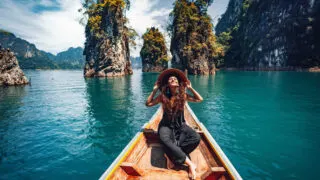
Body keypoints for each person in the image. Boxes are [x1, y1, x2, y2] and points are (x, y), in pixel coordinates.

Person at [145, 68, 203, 179]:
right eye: (170, 79)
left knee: (196, 138)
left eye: (175, 79)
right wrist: (154, 90)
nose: (172, 79)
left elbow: (199, 99)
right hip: (166, 125)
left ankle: (175, 153)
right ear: (167, 83)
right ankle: (190, 164)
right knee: (164, 139)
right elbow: (148, 104)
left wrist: (190, 88)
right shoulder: (162, 96)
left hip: (180, 125)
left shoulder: (183, 95)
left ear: (178, 83)